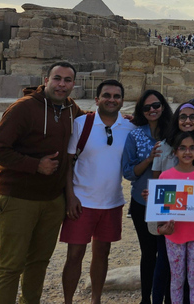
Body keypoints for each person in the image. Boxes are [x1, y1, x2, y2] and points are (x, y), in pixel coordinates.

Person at [0, 61, 84, 304]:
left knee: (38, 264)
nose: (62, 84)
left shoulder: (72, 110)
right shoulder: (24, 109)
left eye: (67, 80)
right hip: (19, 198)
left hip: (52, 201)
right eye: (57, 78)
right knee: (10, 266)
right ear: (46, 79)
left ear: (73, 84)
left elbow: (93, 125)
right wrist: (35, 165)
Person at [61, 79, 133, 304]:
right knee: (74, 256)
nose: (112, 100)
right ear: (97, 99)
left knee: (102, 254)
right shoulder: (82, 124)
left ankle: (96, 299)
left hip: (112, 202)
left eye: (116, 96)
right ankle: (68, 301)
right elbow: (67, 162)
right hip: (82, 202)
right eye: (107, 95)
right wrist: (70, 196)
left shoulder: (129, 127)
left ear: (122, 100)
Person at [121, 89, 173, 304]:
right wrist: (150, 157)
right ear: (141, 111)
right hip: (142, 200)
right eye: (147, 107)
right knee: (149, 252)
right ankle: (147, 298)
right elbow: (129, 172)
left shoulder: (173, 131)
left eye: (156, 105)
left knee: (169, 252)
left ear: (163, 106)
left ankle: (169, 297)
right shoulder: (135, 135)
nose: (152, 110)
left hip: (170, 199)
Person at [154, 129, 194, 304]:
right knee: (177, 279)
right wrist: (161, 227)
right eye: (182, 148)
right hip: (174, 236)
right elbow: (160, 212)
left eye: (192, 148)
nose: (187, 152)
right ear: (175, 151)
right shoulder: (165, 177)